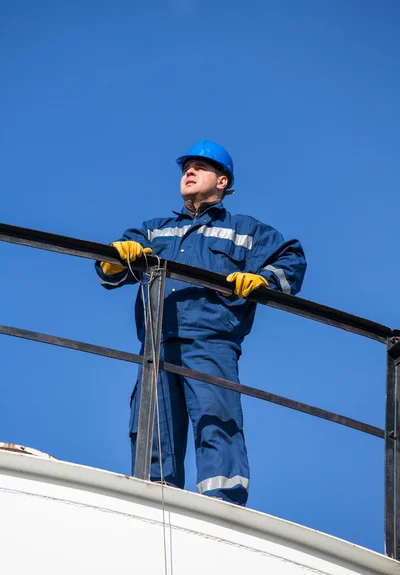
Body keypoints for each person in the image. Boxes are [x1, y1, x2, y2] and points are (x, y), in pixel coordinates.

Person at [95, 140, 306, 506]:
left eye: (199, 167)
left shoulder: (245, 230)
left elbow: (291, 260)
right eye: (185, 168)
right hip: (156, 344)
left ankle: (223, 508)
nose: (188, 173)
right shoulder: (154, 230)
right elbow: (112, 265)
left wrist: (265, 280)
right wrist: (114, 259)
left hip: (211, 342)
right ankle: (153, 502)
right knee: (152, 427)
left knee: (215, 420)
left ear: (222, 182)